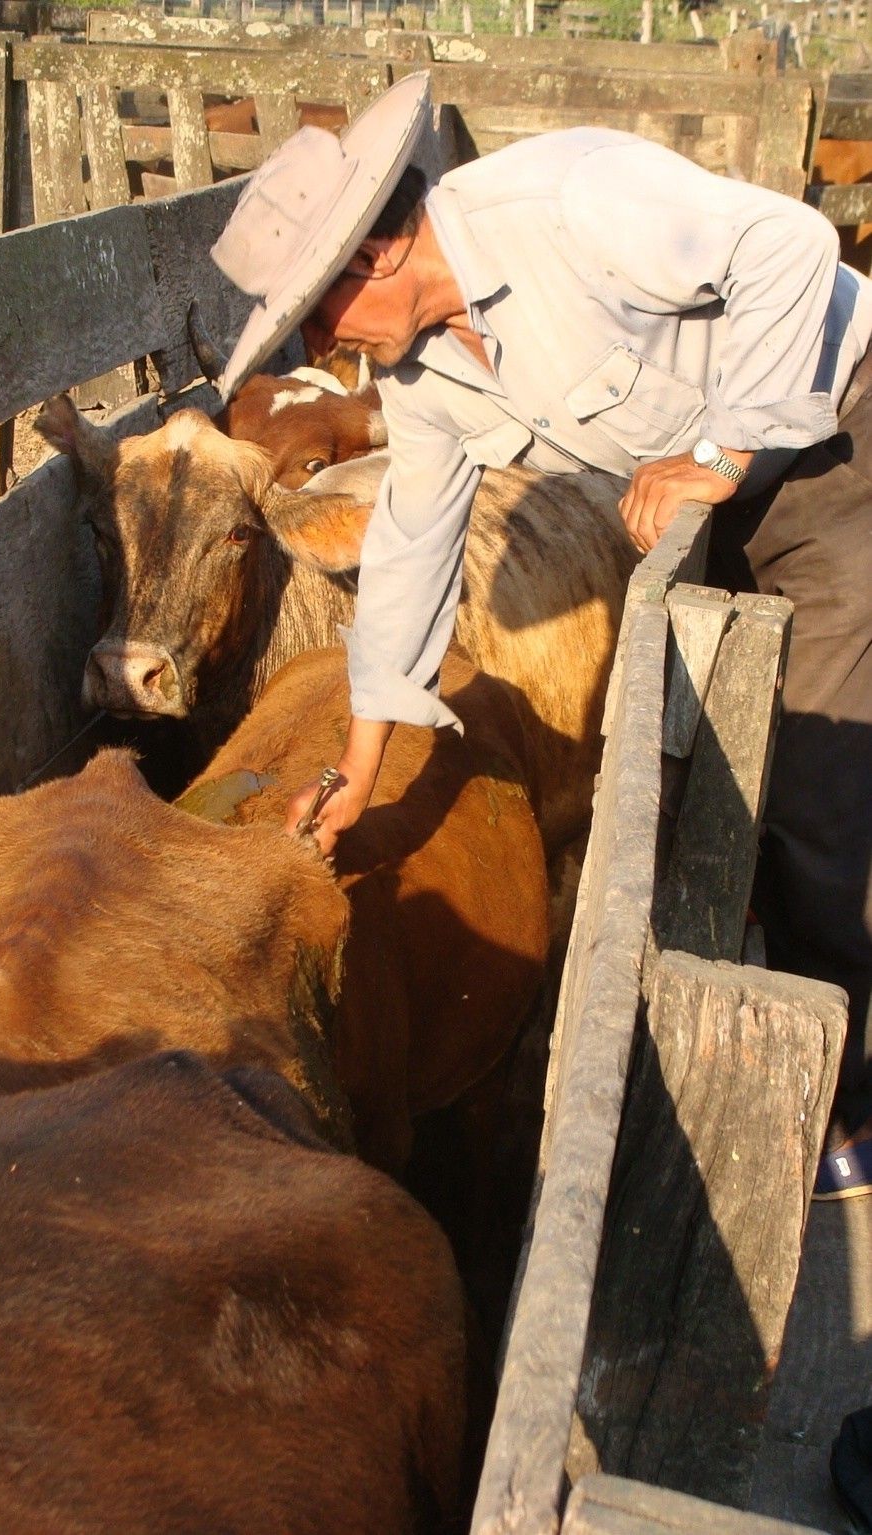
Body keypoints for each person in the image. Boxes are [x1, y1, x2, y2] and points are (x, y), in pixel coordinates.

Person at [209, 72, 872, 1191]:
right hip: (705, 499)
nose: (327, 348)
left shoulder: (567, 200)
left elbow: (792, 246)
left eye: (316, 317)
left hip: (831, 438)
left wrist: (715, 459)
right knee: (727, 766)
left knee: (815, 779)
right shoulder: (418, 375)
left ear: (373, 258)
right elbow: (412, 551)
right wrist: (357, 769)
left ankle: (850, 1095)